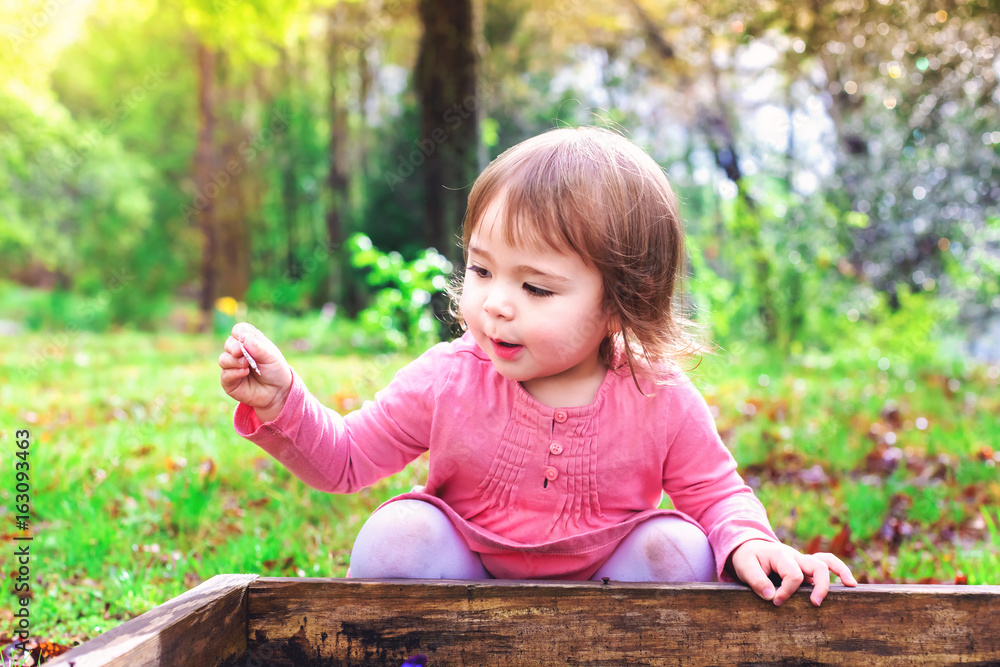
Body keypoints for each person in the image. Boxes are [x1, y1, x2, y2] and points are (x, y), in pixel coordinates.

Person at [219, 126, 856, 606]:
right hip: (466, 578)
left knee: (679, 548)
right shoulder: (450, 377)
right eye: (482, 270)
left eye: (538, 289)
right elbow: (348, 459)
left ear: (622, 300)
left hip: (610, 590)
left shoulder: (656, 393)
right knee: (400, 532)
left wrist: (751, 542)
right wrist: (282, 403)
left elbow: (715, 493)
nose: (496, 304)